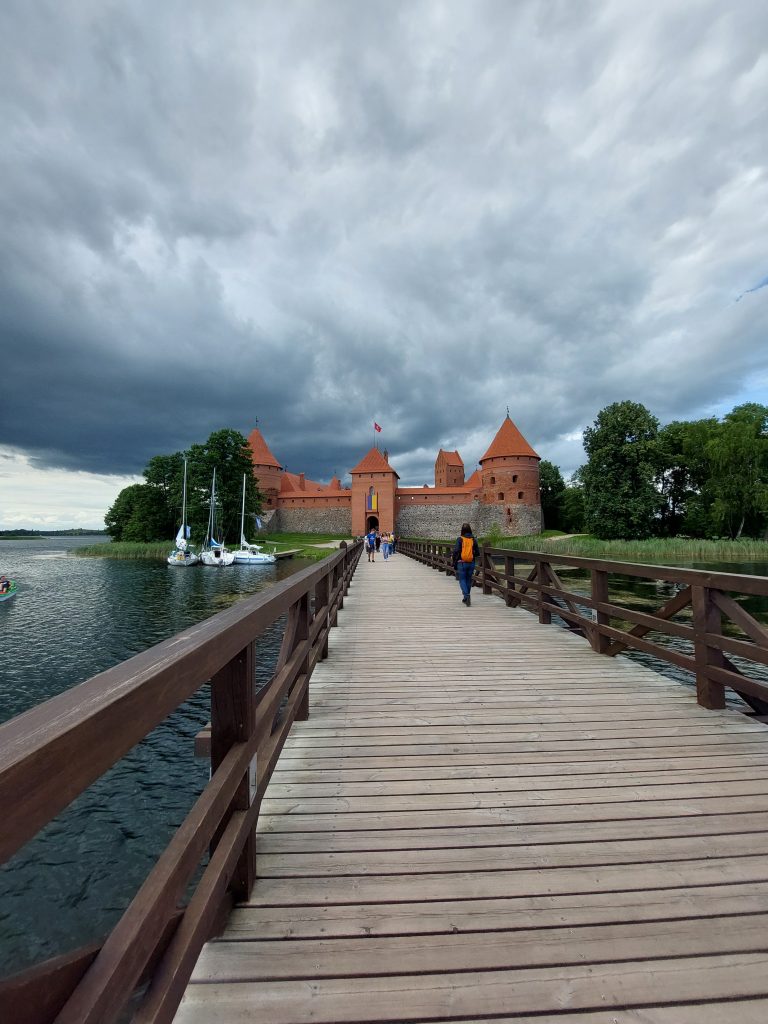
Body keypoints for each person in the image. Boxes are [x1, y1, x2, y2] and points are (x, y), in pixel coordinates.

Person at [451, 523, 479, 606]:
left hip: (461, 563)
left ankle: (466, 596)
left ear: (462, 530)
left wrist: (454, 560)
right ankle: (466, 597)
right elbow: (477, 552)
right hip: (471, 563)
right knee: (468, 580)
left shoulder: (460, 539)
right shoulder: (473, 539)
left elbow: (456, 551)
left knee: (462, 580)